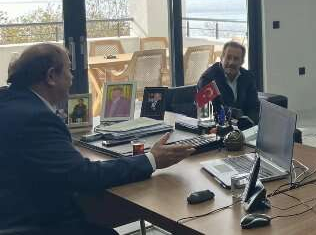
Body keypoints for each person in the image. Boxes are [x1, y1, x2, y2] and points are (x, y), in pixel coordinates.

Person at [0, 43, 194, 234]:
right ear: (51, 76)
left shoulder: (10, 102)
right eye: (68, 70)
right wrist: (152, 159)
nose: (72, 78)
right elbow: (83, 175)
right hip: (34, 222)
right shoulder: (36, 118)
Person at [198, 41, 260, 124]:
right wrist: (233, 113)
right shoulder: (208, 79)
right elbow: (205, 113)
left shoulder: (248, 77)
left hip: (243, 126)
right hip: (218, 127)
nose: (231, 62)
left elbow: (254, 107)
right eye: (228, 57)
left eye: (236, 59)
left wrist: (251, 123)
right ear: (221, 58)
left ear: (242, 61)